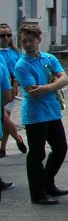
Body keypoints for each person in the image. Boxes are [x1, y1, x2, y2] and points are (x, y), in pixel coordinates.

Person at [14, 24, 68, 205]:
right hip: (36, 114)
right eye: (24, 41)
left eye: (31, 40)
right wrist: (55, 84)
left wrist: (48, 86)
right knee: (37, 154)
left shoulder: (49, 58)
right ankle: (37, 193)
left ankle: (47, 181)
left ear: (39, 39)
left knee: (61, 148)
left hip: (52, 111)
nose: (28, 44)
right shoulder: (22, 65)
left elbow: (65, 78)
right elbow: (33, 91)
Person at [0, 23, 27, 157]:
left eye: (8, 35)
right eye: (2, 35)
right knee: (3, 117)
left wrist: (14, 85)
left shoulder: (15, 52)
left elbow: (19, 70)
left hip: (9, 87)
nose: (6, 38)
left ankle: (2, 147)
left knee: (5, 117)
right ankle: (18, 138)